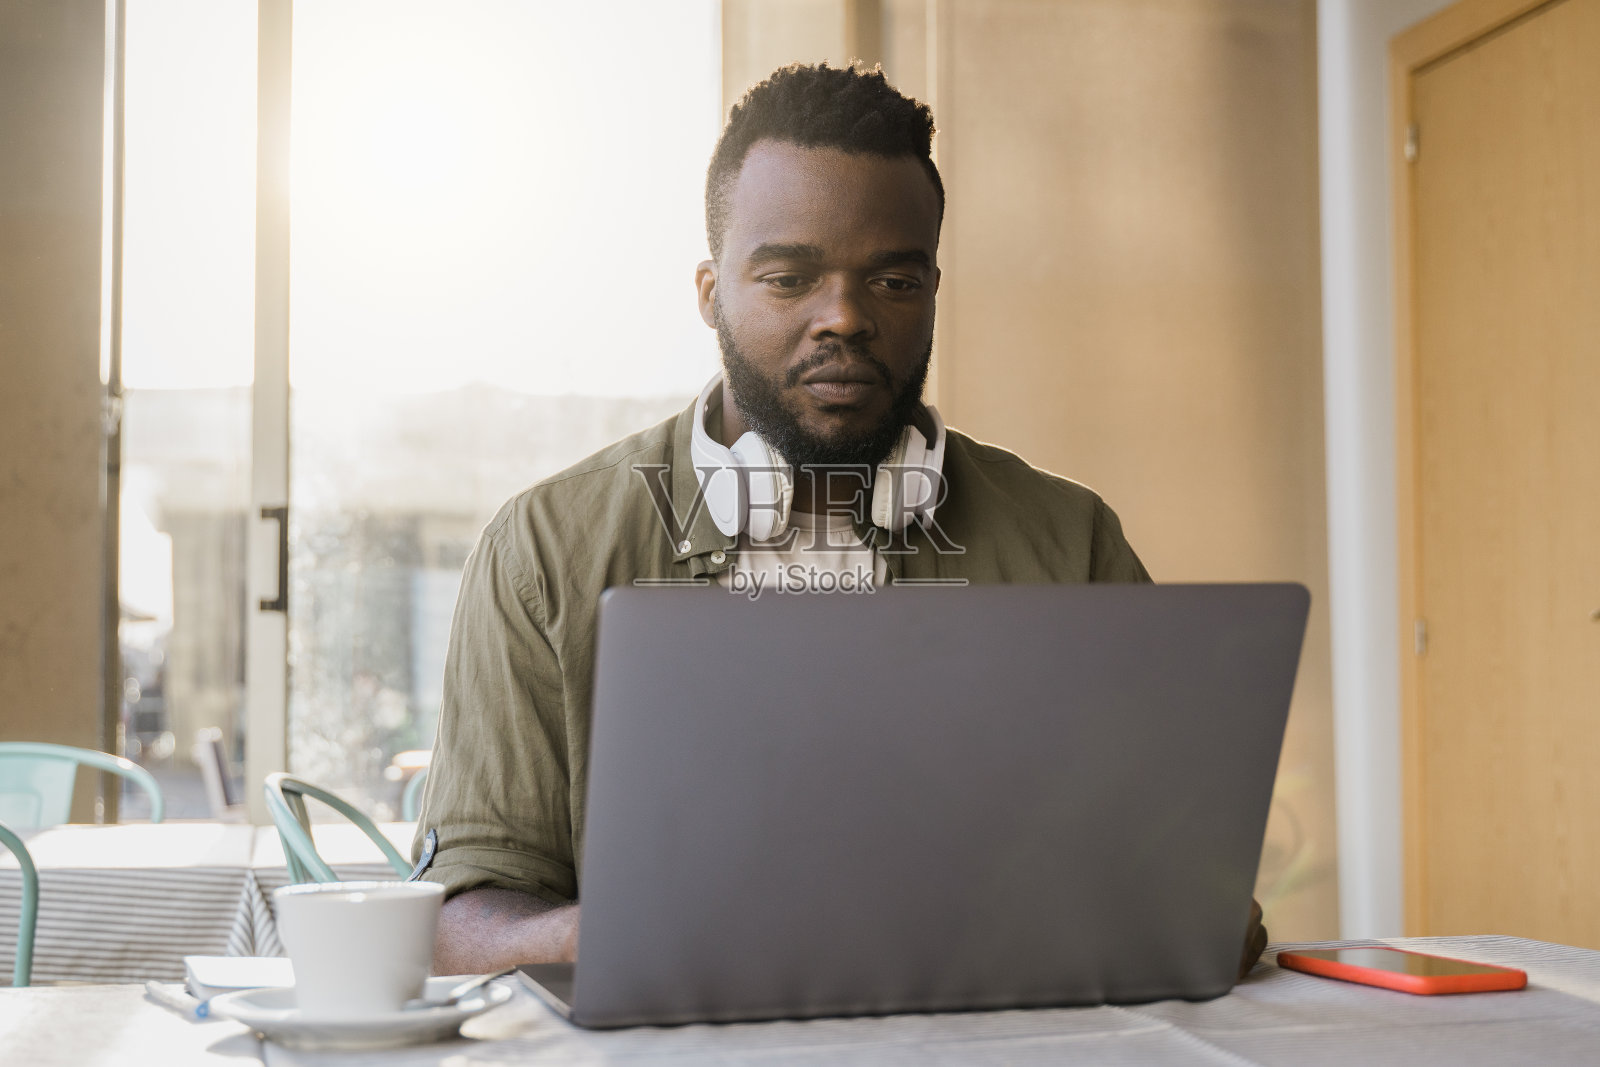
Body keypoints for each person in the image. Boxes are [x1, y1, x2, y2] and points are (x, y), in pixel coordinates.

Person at [418, 62, 1266, 979]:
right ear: (711, 293)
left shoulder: (1072, 541)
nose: (845, 319)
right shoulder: (544, 552)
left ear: (933, 289)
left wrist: (1187, 904)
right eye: (789, 279)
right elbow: (459, 920)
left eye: (894, 283)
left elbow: (1209, 897)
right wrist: (593, 935)